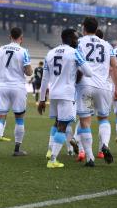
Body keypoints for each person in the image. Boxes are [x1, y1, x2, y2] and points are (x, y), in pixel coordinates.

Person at [38, 29, 93, 168]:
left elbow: (44, 79)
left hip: (54, 94)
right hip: (67, 94)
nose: (77, 40)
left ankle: (50, 152)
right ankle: (53, 160)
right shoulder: (74, 53)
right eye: (75, 38)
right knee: (63, 126)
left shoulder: (50, 53)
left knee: (58, 124)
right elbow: (89, 72)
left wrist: (42, 99)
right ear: (69, 38)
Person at [75, 17, 117, 167]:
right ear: (97, 28)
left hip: (86, 86)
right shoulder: (107, 45)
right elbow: (114, 67)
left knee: (85, 122)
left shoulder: (79, 42)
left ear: (83, 28)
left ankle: (90, 158)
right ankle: (104, 145)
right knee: (104, 118)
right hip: (104, 87)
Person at [0, 27, 33, 158]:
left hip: (2, 86)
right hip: (17, 87)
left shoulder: (0, 50)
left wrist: (4, 70)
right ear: (21, 38)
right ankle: (17, 149)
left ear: (10, 36)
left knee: (0, 117)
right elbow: (29, 72)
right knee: (19, 118)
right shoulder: (23, 51)